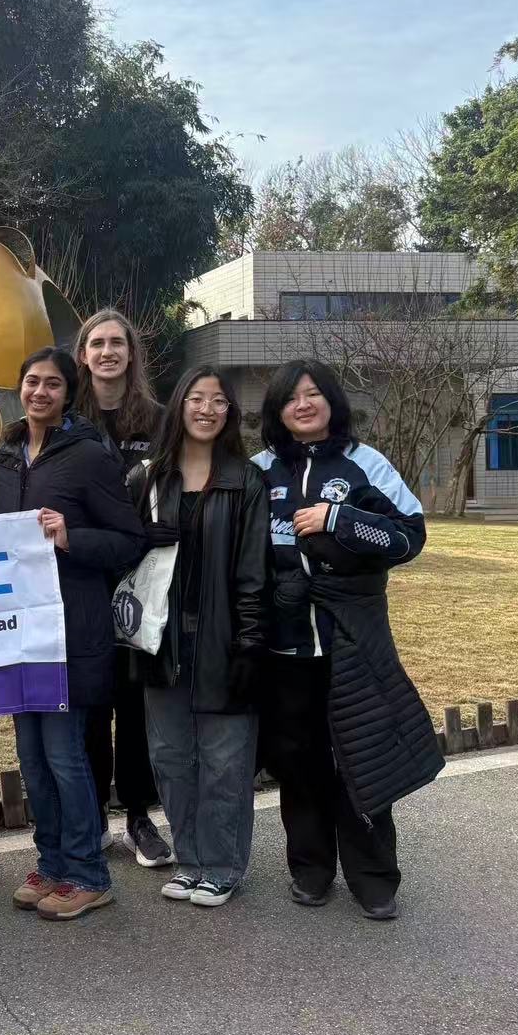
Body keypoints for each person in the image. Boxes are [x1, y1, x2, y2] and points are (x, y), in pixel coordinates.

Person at [253, 359, 439, 921]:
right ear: (278, 411)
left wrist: (338, 518)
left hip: (351, 643)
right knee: (297, 762)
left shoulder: (366, 463)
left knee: (361, 758)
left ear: (332, 401)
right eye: (291, 398)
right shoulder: (260, 470)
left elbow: (410, 537)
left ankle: (374, 877)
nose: (303, 404)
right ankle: (310, 868)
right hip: (286, 646)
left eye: (313, 394)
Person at [0, 347, 146, 922]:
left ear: (68, 393)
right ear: (20, 387)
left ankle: (88, 873)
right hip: (19, 632)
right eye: (32, 381)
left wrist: (70, 536)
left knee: (64, 755)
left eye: (52, 384)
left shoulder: (89, 456)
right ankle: (52, 862)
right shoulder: (6, 458)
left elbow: (128, 540)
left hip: (71, 631)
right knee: (31, 759)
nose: (40, 392)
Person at [125, 369, 269, 908]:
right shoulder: (147, 479)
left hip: (223, 639)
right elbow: (121, 555)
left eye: (219, 401)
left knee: (225, 760)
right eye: (197, 398)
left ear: (230, 413)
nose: (207, 409)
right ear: (180, 404)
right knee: (170, 756)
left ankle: (223, 866)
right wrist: (141, 538)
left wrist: (250, 643)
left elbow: (254, 571)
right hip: (161, 640)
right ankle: (190, 860)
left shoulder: (245, 482)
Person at [74, 308, 172, 868]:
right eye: (97, 343)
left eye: (117, 342)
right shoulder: (67, 419)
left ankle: (138, 815)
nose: (107, 352)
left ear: (131, 353)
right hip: (85, 577)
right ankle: (92, 819)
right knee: (92, 703)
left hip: (142, 578)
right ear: (83, 354)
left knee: (135, 706)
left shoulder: (158, 420)